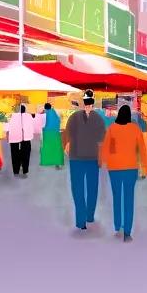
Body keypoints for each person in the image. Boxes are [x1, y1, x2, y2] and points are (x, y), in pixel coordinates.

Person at [100, 104, 147, 241]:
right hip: (130, 168)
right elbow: (142, 149)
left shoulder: (112, 129)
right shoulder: (135, 129)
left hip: (114, 168)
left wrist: (103, 161)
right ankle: (127, 232)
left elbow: (106, 148)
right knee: (129, 199)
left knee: (117, 197)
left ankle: (118, 226)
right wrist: (145, 167)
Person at [64, 90, 107, 230]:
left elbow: (66, 135)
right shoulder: (99, 119)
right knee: (91, 187)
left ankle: (83, 219)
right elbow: (103, 139)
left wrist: (67, 145)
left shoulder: (74, 117)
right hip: (91, 158)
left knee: (78, 188)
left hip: (77, 158)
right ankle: (88, 216)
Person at [6, 103, 35, 176]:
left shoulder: (11, 116)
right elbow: (32, 125)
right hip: (26, 138)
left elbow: (6, 127)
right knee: (26, 154)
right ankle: (25, 170)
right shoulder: (29, 116)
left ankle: (16, 170)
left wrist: (7, 136)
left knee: (14, 154)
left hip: (14, 137)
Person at [39, 102, 65, 169]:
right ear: (50, 107)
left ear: (45, 107)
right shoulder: (55, 112)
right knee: (56, 148)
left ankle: (47, 161)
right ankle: (57, 163)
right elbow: (59, 119)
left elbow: (41, 123)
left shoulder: (44, 113)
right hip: (55, 132)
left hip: (47, 132)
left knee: (47, 147)